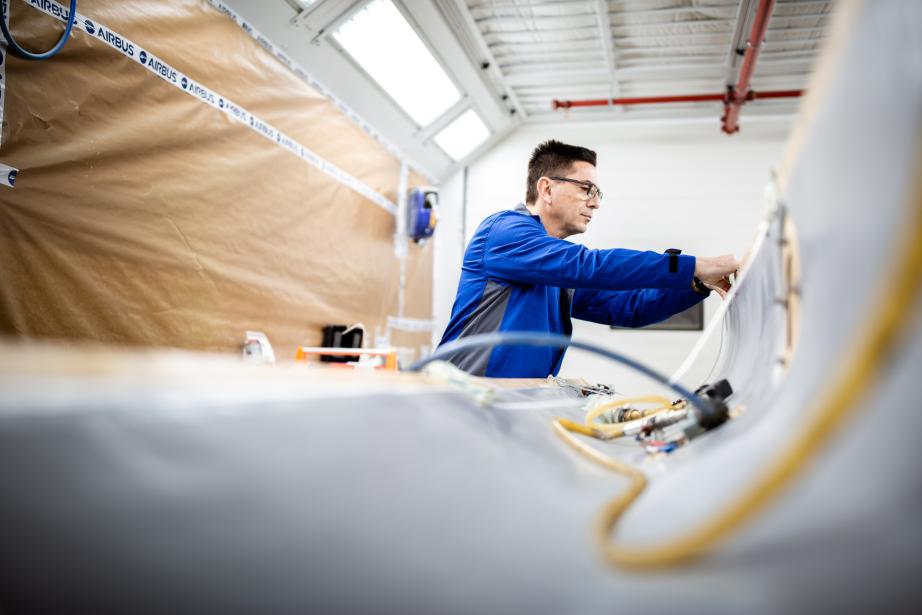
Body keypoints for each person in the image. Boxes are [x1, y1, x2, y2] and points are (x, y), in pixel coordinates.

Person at [437, 139, 739, 378]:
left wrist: (696, 284)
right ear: (547, 188)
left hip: (507, 404)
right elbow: (589, 265)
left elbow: (628, 309)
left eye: (597, 193)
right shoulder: (505, 232)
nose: (594, 203)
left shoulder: (552, 272)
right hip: (463, 399)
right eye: (586, 189)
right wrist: (695, 264)